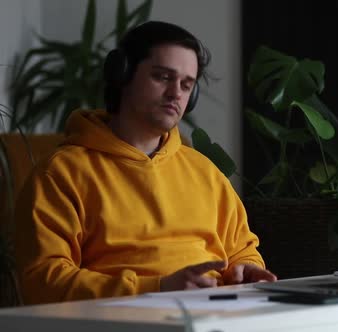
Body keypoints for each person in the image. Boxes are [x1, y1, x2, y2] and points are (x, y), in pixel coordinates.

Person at [14, 21, 276, 305]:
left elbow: (242, 250)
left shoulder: (206, 173)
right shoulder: (62, 173)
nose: (176, 93)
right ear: (122, 74)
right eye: (163, 77)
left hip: (213, 316)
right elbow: (43, 281)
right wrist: (158, 287)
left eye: (187, 85)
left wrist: (246, 270)